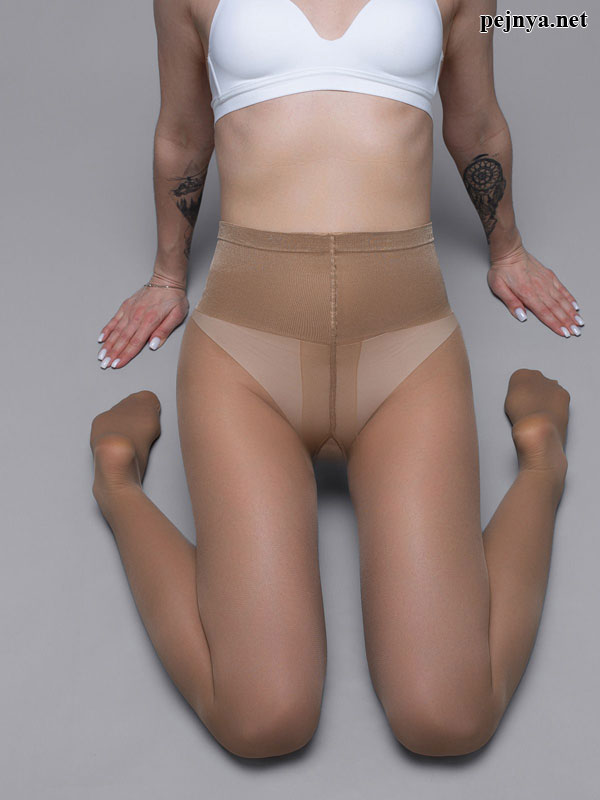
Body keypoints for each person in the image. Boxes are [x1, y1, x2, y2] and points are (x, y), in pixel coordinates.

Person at [89, 0, 579, 759]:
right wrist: (166, 277)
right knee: (263, 717)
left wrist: (508, 252)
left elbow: (478, 124)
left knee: (448, 716)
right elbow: (183, 133)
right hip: (245, 360)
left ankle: (542, 456)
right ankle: (116, 477)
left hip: (406, 353)